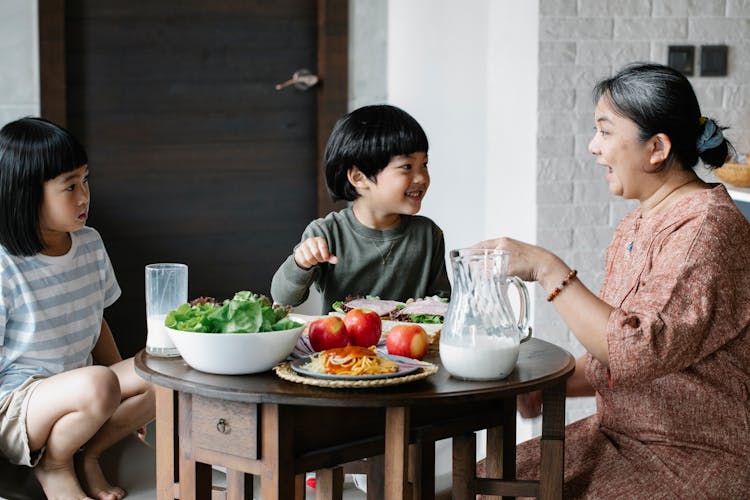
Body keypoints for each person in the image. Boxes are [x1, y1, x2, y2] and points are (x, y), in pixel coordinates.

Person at [475, 63, 750, 498]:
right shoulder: (638, 224)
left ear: (656, 148)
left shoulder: (705, 229)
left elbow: (637, 349)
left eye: (605, 132)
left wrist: (547, 268)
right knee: (482, 481)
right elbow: (621, 357)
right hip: (619, 436)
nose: (593, 147)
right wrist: (548, 387)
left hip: (690, 455)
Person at [0, 117, 155, 500]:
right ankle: (55, 465)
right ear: (25, 194)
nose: (84, 196)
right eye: (69, 186)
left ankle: (92, 454)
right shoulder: (5, 263)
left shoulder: (89, 243)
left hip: (83, 388)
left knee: (165, 370)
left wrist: (123, 389)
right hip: (21, 403)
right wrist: (107, 387)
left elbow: (95, 318)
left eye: (85, 180)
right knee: (99, 382)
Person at [271, 104, 451, 314]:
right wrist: (300, 263)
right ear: (358, 177)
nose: (421, 178)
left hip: (409, 344)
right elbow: (283, 298)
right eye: (407, 167)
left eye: (425, 164)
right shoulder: (327, 233)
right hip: (343, 345)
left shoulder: (429, 234)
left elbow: (443, 302)